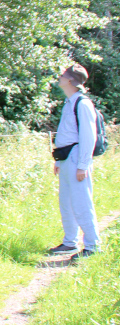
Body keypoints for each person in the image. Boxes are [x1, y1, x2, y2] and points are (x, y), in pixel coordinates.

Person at [48, 64, 100, 260]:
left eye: (63, 75)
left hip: (78, 157)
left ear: (70, 80)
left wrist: (83, 165)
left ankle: (93, 246)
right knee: (67, 202)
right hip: (67, 157)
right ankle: (70, 242)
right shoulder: (69, 102)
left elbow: (88, 137)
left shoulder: (82, 104)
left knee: (81, 202)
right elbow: (67, 135)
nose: (60, 77)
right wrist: (60, 161)